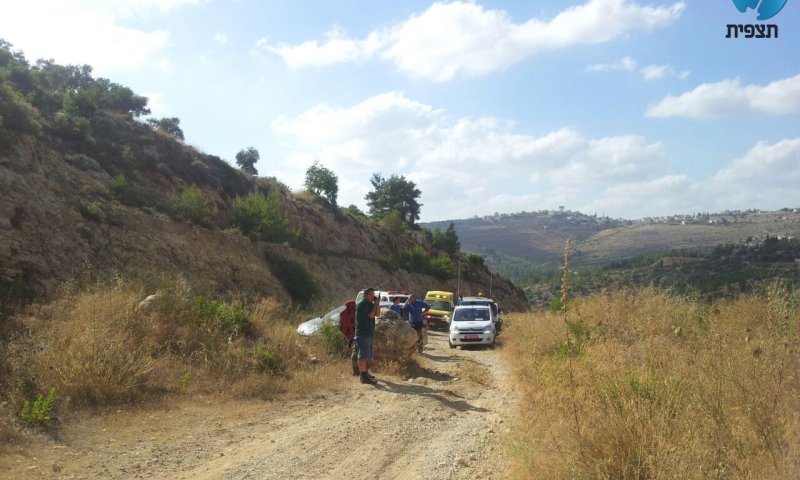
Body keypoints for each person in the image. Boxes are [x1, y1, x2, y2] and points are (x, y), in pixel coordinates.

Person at [354, 288, 380, 385]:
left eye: (373, 294)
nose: (372, 296)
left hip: (369, 333)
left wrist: (377, 304)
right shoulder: (362, 304)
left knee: (366, 356)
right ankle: (363, 377)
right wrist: (375, 305)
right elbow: (371, 315)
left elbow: (378, 314)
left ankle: (365, 374)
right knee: (362, 356)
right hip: (362, 333)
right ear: (365, 295)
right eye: (370, 294)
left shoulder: (370, 304)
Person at [338, 300, 358, 376]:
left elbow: (341, 327)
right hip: (353, 336)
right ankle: (356, 371)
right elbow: (344, 326)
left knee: (355, 352)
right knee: (355, 353)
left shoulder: (344, 313)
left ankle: (357, 370)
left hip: (350, 336)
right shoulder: (351, 313)